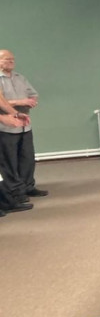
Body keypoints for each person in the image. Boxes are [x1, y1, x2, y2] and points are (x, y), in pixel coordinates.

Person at [0, 50, 45, 208]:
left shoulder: (20, 77)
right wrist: (19, 103)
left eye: (12, 59)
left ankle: (27, 186)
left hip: (23, 124)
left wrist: (25, 105)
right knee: (9, 161)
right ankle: (14, 193)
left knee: (27, 158)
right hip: (5, 127)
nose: (11, 62)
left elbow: (32, 94)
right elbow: (1, 101)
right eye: (7, 59)